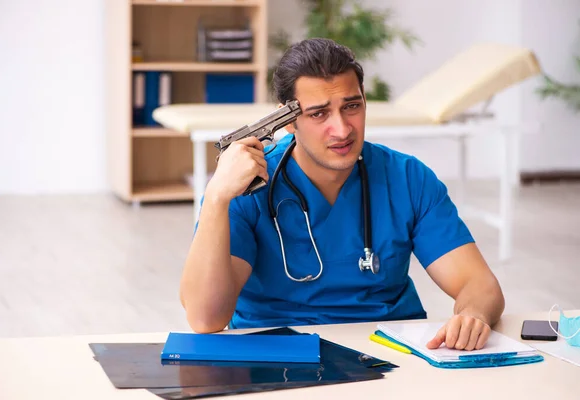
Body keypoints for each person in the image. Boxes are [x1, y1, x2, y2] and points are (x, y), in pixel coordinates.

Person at [180, 38, 505, 351]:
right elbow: (205, 318)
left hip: (386, 353)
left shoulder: (407, 178)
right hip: (275, 354)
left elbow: (479, 285)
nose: (342, 129)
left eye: (351, 106)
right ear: (288, 120)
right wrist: (217, 196)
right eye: (319, 113)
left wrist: (473, 315)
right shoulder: (249, 186)